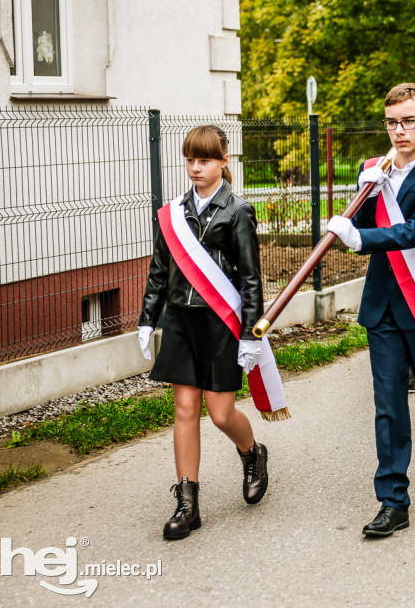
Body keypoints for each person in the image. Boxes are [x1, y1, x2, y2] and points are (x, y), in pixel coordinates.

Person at [326, 83, 415, 537]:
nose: (400, 130)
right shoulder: (375, 170)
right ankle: (393, 500)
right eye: (392, 122)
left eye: (409, 120)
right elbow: (359, 226)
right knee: (388, 406)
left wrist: (360, 237)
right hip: (384, 305)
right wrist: (362, 200)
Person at [139, 125, 270, 540]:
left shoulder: (237, 211)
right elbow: (160, 271)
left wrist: (251, 333)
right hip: (181, 321)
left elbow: (250, 278)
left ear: (223, 162)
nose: (196, 168)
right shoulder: (173, 213)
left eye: (205, 160)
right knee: (185, 411)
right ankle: (188, 504)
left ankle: (252, 454)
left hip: (220, 323)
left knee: (220, 413)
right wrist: (147, 318)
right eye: (191, 160)